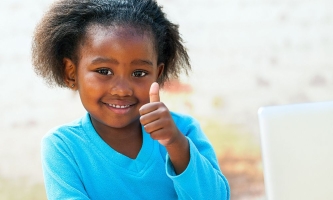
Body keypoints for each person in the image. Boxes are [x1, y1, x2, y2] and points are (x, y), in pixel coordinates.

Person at [32, 0, 230, 199]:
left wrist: (176, 144)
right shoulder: (63, 146)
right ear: (71, 73)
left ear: (158, 74)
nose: (121, 90)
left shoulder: (183, 131)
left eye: (139, 73)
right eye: (104, 71)